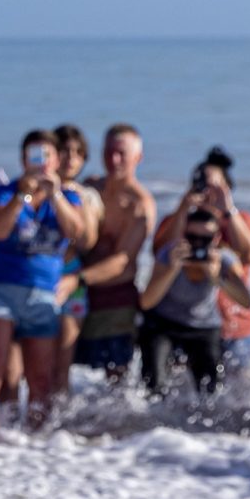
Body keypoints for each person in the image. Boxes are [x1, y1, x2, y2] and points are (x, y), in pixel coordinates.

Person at [0, 130, 95, 428]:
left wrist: (55, 194)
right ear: (23, 159)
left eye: (46, 156)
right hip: (0, 288)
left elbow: (77, 232)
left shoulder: (71, 196)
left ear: (56, 160)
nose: (40, 163)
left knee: (40, 376)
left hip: (42, 293)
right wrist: (21, 196)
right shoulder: (5, 192)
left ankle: (35, 446)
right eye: (33, 156)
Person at [151, 147, 250, 373]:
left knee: (236, 401)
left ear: (227, 188)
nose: (206, 191)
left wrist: (227, 210)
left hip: (234, 325)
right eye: (200, 183)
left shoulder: (241, 220)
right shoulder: (180, 223)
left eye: (214, 185)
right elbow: (160, 252)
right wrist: (184, 208)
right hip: (190, 324)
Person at [137, 208, 250, 400]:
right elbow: (147, 301)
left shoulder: (223, 258)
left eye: (205, 239)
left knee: (212, 391)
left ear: (216, 239)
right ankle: (152, 426)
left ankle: (201, 429)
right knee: (154, 385)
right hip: (164, 323)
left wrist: (216, 278)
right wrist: (172, 269)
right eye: (192, 237)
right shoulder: (169, 253)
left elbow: (246, 301)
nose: (198, 244)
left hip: (204, 326)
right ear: (184, 235)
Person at [70, 124, 155, 382]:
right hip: (79, 295)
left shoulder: (140, 205)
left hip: (116, 299)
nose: (113, 160)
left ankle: (120, 425)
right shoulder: (89, 187)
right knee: (61, 365)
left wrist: (76, 280)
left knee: (116, 380)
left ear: (137, 158)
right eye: (108, 152)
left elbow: (122, 261)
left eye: (121, 153)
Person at [48, 124, 100, 394]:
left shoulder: (85, 195)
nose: (70, 158)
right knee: (33, 359)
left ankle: (57, 425)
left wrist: (76, 200)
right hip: (39, 274)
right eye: (64, 151)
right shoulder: (37, 187)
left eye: (78, 153)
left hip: (71, 276)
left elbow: (87, 241)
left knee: (62, 362)